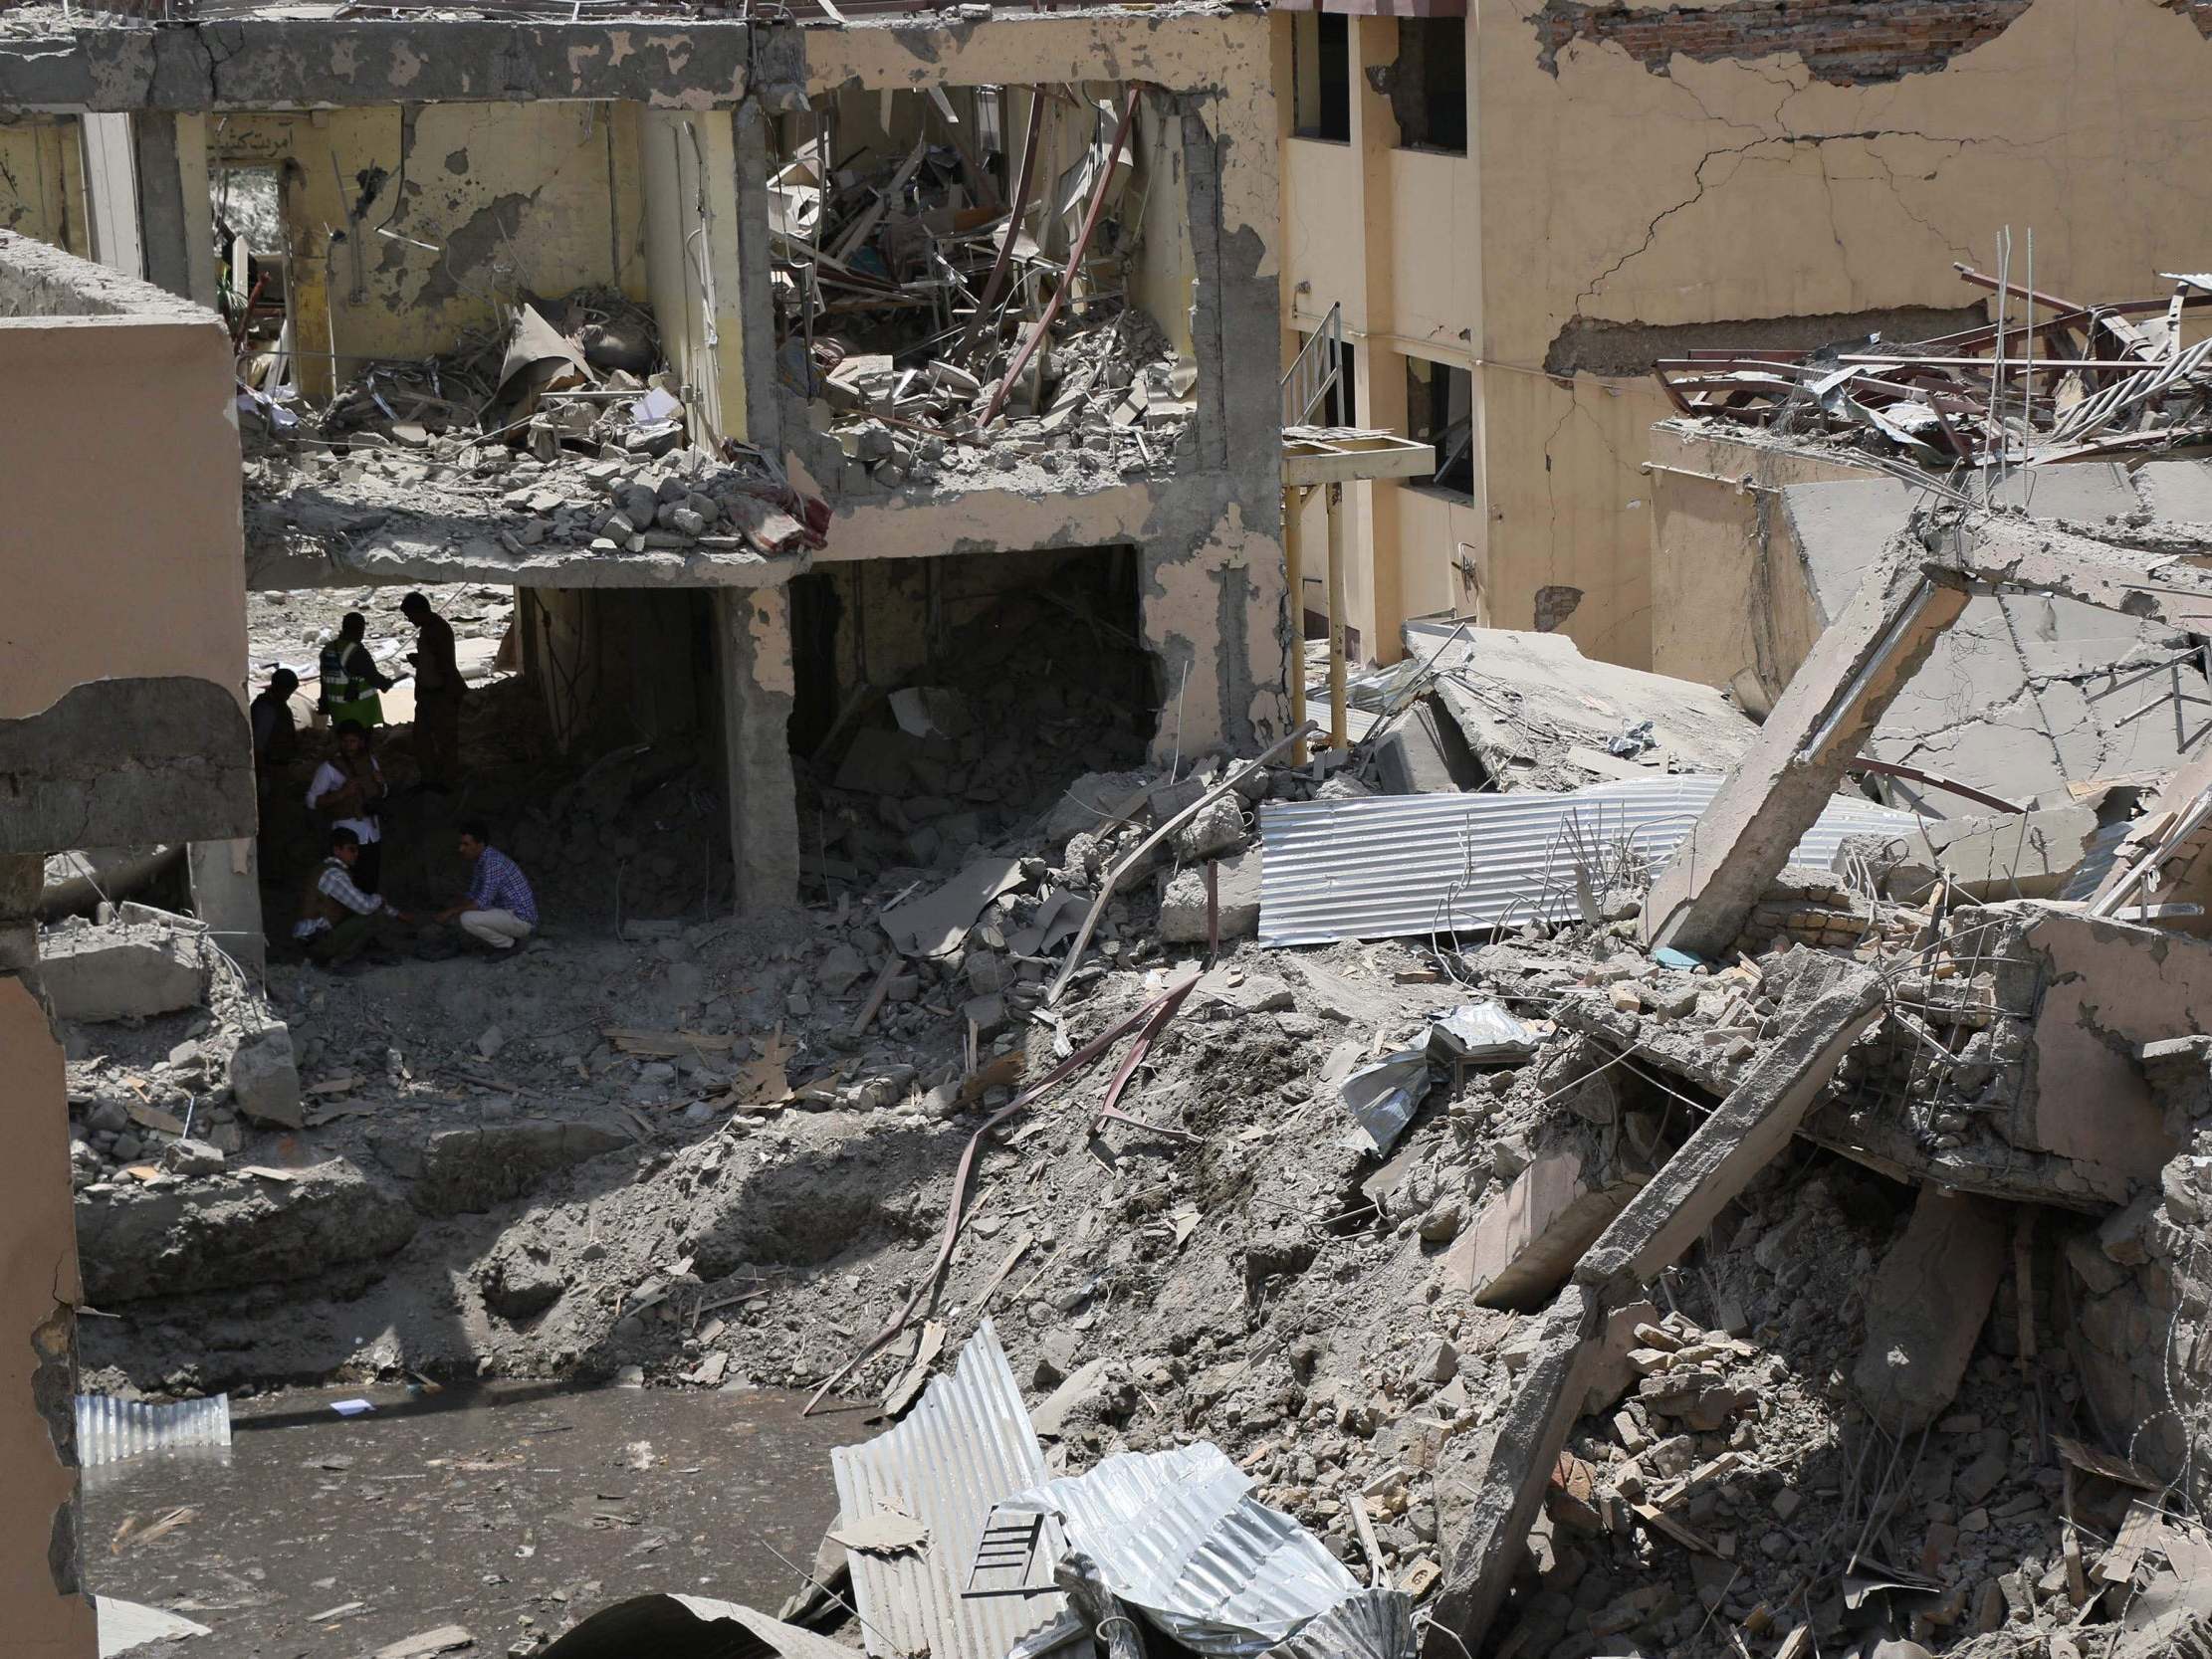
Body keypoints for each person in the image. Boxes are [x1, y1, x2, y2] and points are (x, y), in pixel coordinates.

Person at [293, 827, 412, 967]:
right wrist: (380, 901)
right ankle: (339, 961)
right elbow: (365, 906)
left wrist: (397, 914)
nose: (356, 854)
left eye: (357, 850)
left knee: (364, 911)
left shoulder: (329, 869)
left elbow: (362, 899)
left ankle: (345, 953)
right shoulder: (334, 875)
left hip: (313, 939)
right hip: (316, 943)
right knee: (374, 916)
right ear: (337, 850)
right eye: (351, 849)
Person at [306, 721, 388, 894]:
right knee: (348, 884)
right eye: (345, 741)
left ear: (361, 742)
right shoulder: (329, 768)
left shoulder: (371, 762)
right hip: (347, 832)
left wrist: (381, 784)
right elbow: (312, 801)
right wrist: (342, 793)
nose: (349, 746)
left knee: (370, 881)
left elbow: (382, 792)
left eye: (353, 741)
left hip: (372, 832)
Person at [437, 820, 538, 957]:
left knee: (467, 918)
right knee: (462, 913)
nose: (460, 849)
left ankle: (509, 945)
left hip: (521, 919)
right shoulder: (481, 861)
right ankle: (507, 940)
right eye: (461, 844)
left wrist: (451, 912)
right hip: (507, 912)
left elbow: (482, 902)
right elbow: (473, 895)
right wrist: (451, 909)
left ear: (480, 844)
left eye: (466, 844)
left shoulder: (493, 863)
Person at [400, 590, 464, 792]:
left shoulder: (437, 630)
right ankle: (430, 779)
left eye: (410, 616)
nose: (409, 621)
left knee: (445, 740)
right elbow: (433, 662)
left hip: (440, 694)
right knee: (422, 738)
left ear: (419, 611)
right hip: (429, 694)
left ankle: (447, 781)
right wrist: (420, 663)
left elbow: (445, 664)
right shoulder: (429, 628)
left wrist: (451, 693)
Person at [318, 612, 391, 730]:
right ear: (360, 630)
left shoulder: (328, 649)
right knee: (360, 745)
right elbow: (373, 678)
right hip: (358, 712)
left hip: (337, 711)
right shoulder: (357, 651)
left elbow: (324, 680)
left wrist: (324, 704)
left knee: (344, 744)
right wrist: (384, 683)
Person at [250, 668, 300, 767]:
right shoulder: (266, 709)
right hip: (271, 765)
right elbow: (259, 744)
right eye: (288, 692)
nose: (289, 696)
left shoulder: (278, 704)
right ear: (282, 689)